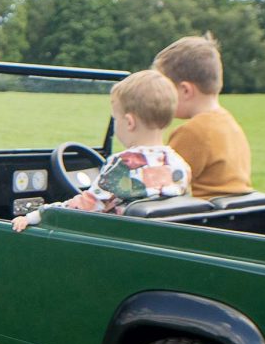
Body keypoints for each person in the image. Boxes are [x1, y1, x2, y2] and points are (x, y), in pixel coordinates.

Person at [13, 70, 190, 231]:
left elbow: (87, 204)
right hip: (149, 239)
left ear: (129, 122)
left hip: (114, 241)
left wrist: (38, 214)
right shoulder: (180, 165)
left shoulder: (124, 165)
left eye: (116, 119)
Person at [153, 34, 252, 198]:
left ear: (185, 90)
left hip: (197, 216)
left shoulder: (192, 131)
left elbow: (159, 185)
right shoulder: (229, 124)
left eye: (165, 88)